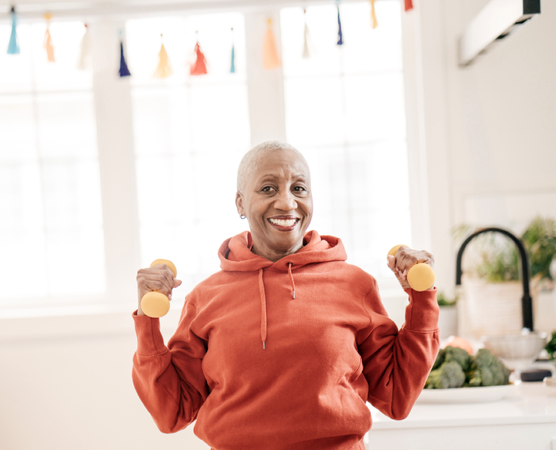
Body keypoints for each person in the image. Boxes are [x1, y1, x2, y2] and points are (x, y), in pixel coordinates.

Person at [132, 141, 439, 449]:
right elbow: (172, 412)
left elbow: (397, 396)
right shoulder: (206, 297)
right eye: (267, 188)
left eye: (299, 188)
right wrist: (148, 323)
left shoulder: (354, 285)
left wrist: (422, 298)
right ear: (240, 203)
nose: (286, 203)